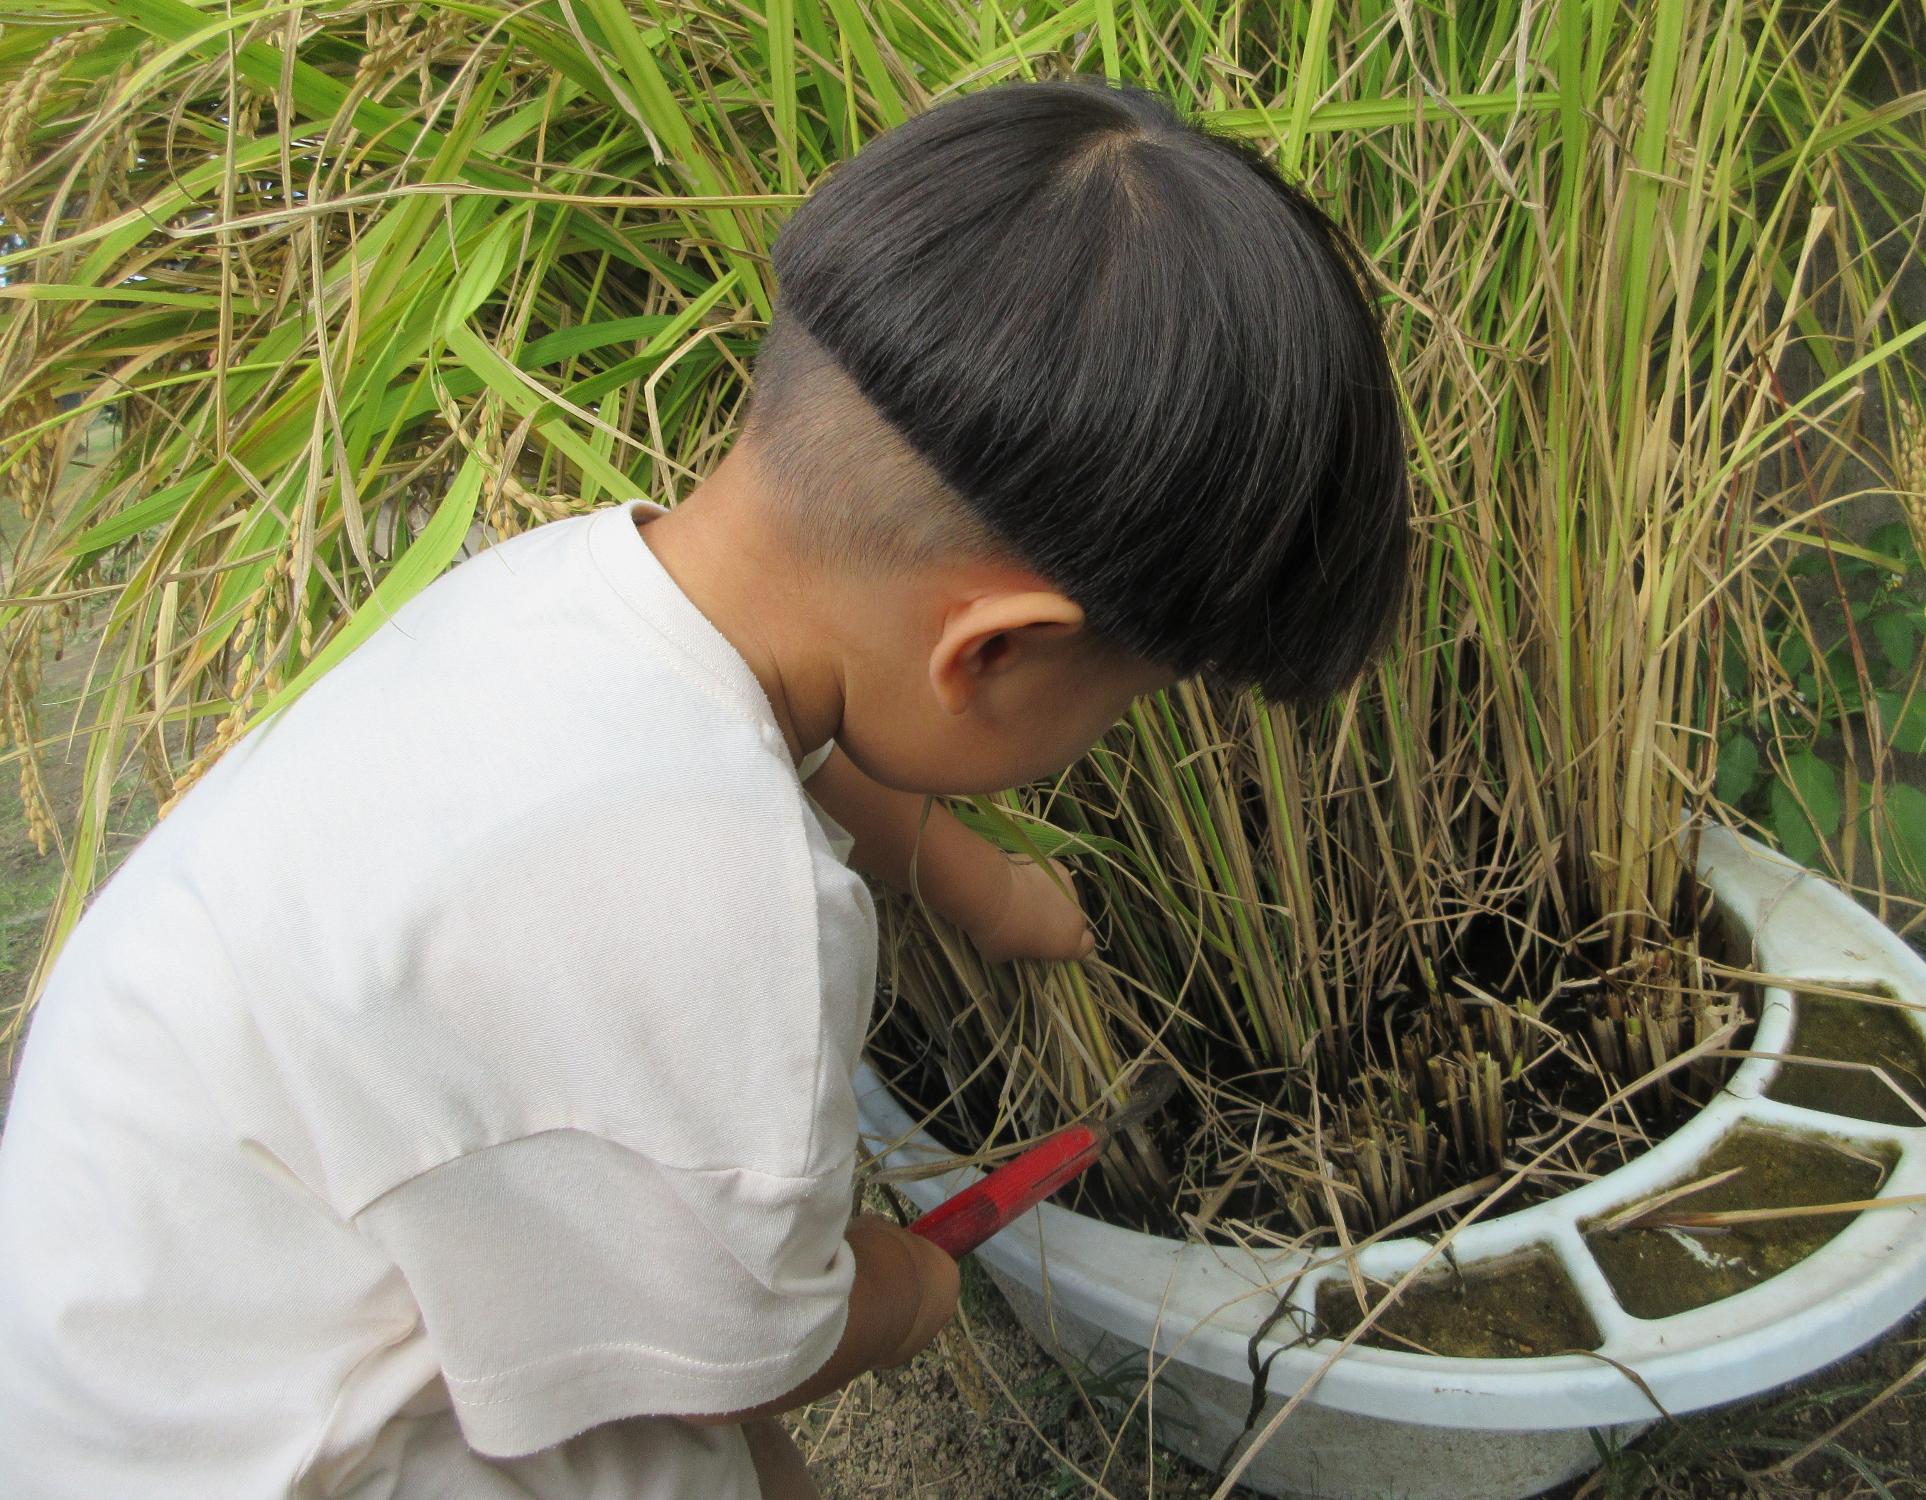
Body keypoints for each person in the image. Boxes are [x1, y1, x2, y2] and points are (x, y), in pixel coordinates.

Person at [0, 76, 1407, 1498]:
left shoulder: (574, 591)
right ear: (993, 651)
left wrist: (976, 881)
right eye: (1126, 700)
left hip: (141, 1284)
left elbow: (787, 751)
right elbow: (760, 1344)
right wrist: (904, 1294)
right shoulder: (736, 919)